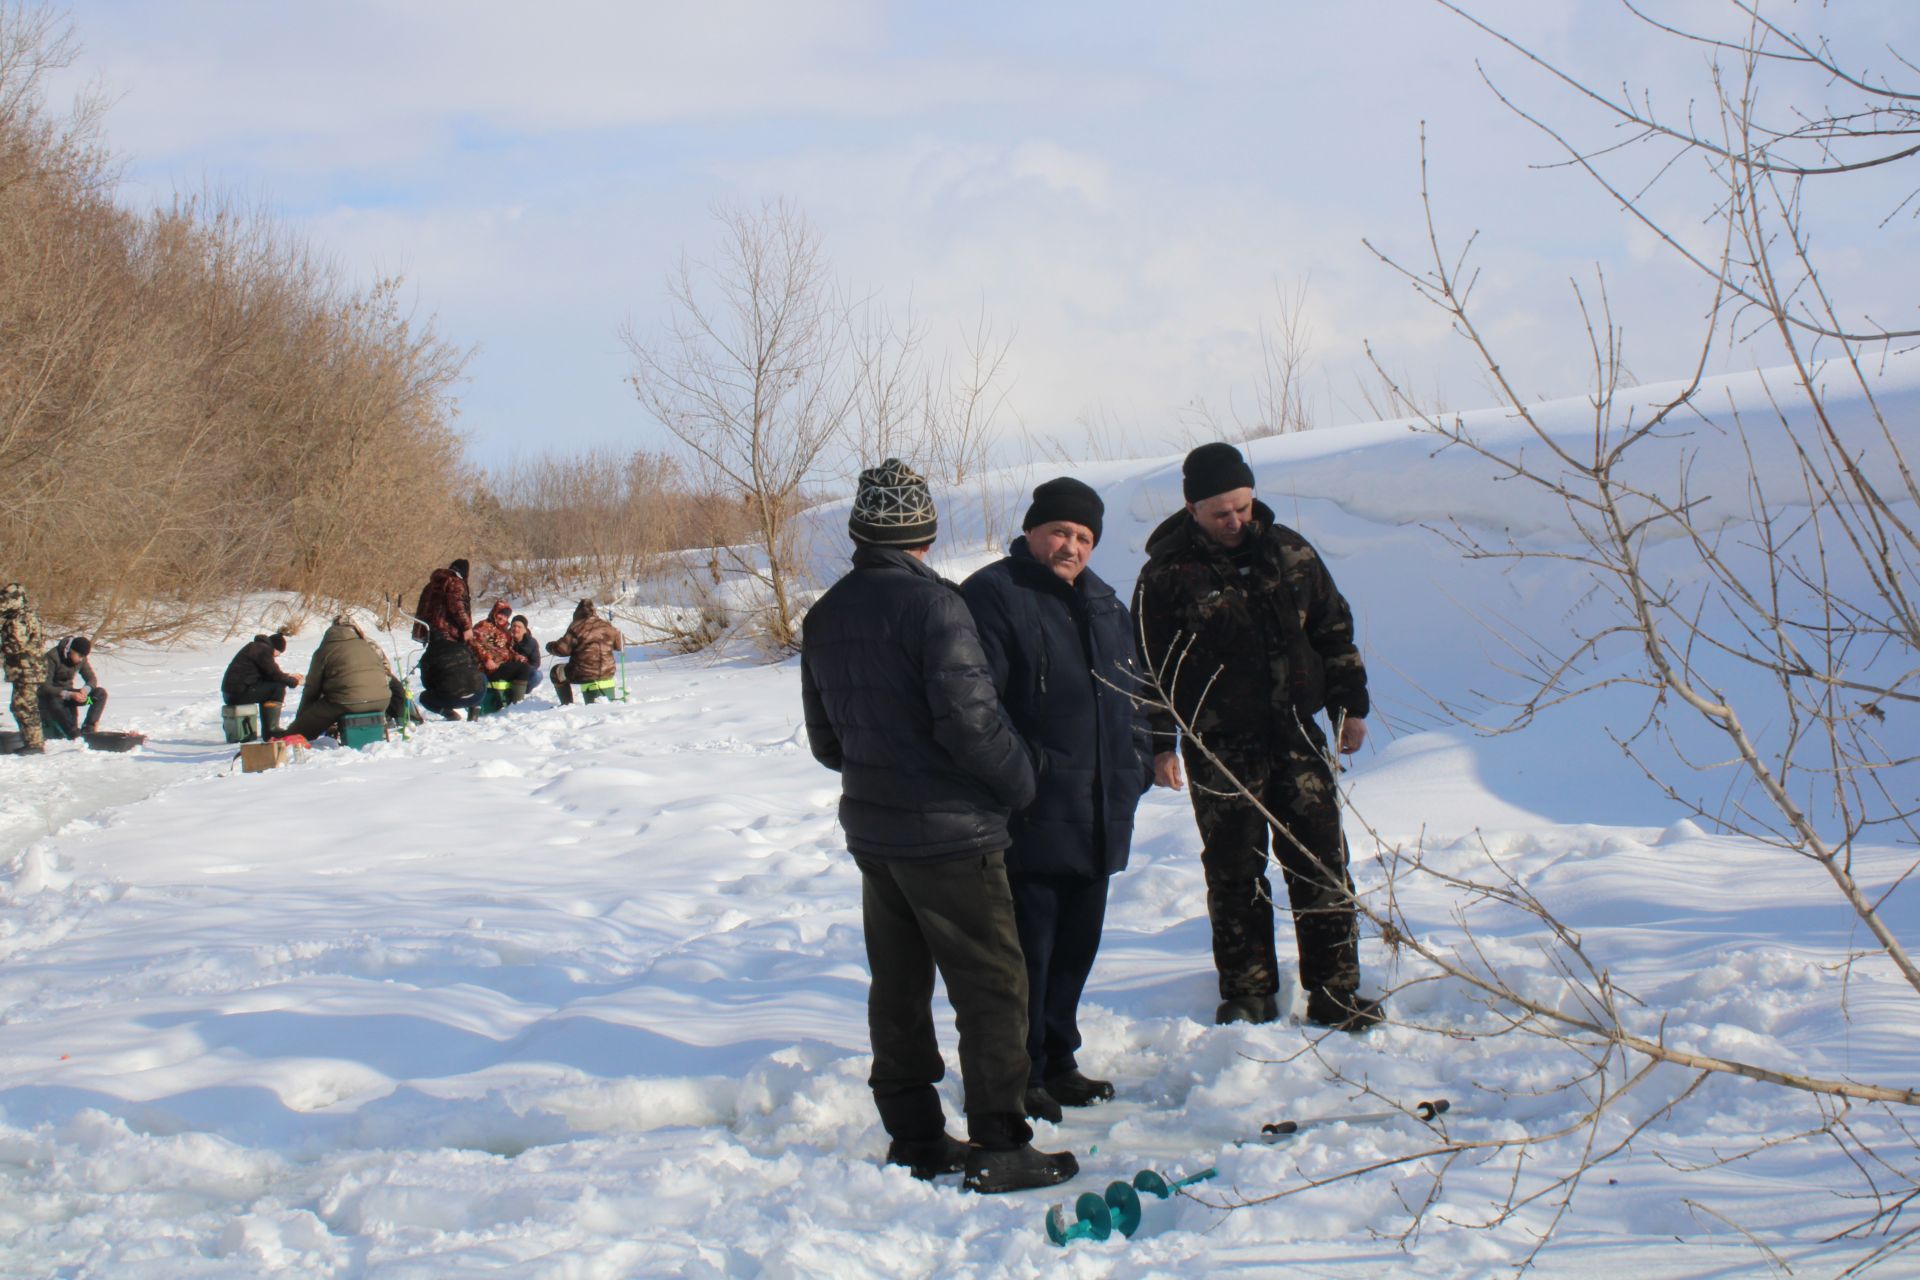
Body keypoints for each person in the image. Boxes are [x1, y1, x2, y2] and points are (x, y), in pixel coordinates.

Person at [801, 457, 1076, 1195]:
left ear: (864, 532)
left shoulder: (826, 614)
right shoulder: (937, 608)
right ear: (922, 532)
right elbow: (974, 727)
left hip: (877, 837)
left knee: (898, 987)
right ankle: (1000, 1142)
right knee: (992, 987)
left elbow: (828, 744)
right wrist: (1024, 782)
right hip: (953, 837)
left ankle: (916, 1138)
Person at [1132, 442, 1382, 1032]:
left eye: (1242, 507)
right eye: (1221, 512)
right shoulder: (1165, 574)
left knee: (1321, 864)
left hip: (1297, 735)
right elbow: (1149, 665)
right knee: (1234, 870)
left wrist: (1351, 706)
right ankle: (1247, 994)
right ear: (1192, 508)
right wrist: (1160, 743)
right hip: (1219, 745)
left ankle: (1335, 992)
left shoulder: (1290, 550)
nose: (1235, 521)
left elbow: (1333, 628)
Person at [961, 478, 1153, 1123]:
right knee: (1027, 955)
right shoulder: (993, 595)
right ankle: (1022, 1074)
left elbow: (1139, 691)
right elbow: (976, 705)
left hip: (1100, 810)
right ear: (1033, 531)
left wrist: (1138, 761)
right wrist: (1025, 776)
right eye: (1060, 533)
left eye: (1084, 537)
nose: (1070, 546)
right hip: (1030, 812)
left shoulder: (1105, 604)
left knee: (1077, 945)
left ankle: (1059, 1060)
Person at [283, 615, 399, 741]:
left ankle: (295, 739)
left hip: (347, 702)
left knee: (325, 707)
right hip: (382, 701)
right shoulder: (368, 645)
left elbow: (312, 688)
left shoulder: (324, 650)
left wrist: (301, 719)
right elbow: (385, 669)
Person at [220, 632, 302, 736]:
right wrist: (292, 681)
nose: (277, 656)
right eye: (279, 652)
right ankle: (271, 731)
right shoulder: (263, 650)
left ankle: (269, 730)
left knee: (274, 685)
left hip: (232, 692)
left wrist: (288, 676)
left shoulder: (256, 647)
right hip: (239, 692)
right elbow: (273, 674)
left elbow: (268, 674)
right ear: (275, 648)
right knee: (278, 688)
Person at [545, 600, 624, 704]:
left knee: (555, 672)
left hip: (582, 672)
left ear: (577, 613)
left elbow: (562, 649)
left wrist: (550, 647)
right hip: (607, 671)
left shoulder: (576, 627)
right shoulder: (607, 626)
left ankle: (566, 704)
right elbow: (620, 645)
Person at [1, 582, 46, 753]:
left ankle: (34, 744)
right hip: (30, 669)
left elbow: (16, 645)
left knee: (23, 706)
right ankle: (31, 741)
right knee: (24, 705)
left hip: (26, 670)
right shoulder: (29, 615)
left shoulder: (18, 618)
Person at [38, 634, 106, 739]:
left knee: (99, 694)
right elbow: (45, 687)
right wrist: (68, 694)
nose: (80, 659)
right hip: (54, 699)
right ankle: (73, 733)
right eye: (79, 656)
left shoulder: (81, 659)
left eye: (83, 657)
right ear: (71, 650)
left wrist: (85, 690)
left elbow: (92, 679)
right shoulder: (51, 657)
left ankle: (88, 728)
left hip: (72, 698)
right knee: (54, 701)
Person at [469, 599, 532, 705]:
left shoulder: (504, 632)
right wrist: (487, 659)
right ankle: (517, 704)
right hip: (488, 669)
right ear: (495, 612)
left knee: (529, 670)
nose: (503, 617)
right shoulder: (483, 626)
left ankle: (511, 699)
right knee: (523, 669)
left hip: (502, 666)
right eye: (500, 614)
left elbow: (508, 650)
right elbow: (473, 643)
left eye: (506, 616)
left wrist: (518, 657)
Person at [418, 630, 484, 720]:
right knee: (482, 677)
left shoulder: (427, 656)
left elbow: (426, 684)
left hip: (451, 699)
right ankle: (474, 712)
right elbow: (476, 666)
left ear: (427, 642)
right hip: (476, 696)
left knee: (424, 698)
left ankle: (449, 714)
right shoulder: (461, 647)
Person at [411, 559, 472, 644]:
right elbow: (457, 607)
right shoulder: (455, 582)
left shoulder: (431, 584)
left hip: (429, 632)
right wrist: (466, 628)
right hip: (447, 634)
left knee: (434, 656)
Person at [510, 615, 544, 693]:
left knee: (537, 675)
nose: (516, 629)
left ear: (525, 629)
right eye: (514, 626)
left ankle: (523, 692)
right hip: (508, 671)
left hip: (525, 671)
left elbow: (536, 663)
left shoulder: (531, 642)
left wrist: (524, 666)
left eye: (519, 627)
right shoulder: (505, 639)